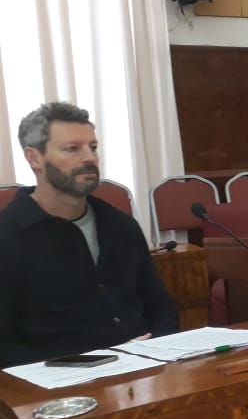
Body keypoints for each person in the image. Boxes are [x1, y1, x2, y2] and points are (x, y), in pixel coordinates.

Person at [0, 103, 179, 368]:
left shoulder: (121, 226)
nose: (89, 158)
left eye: (93, 148)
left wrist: (160, 347)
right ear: (34, 158)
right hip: (53, 382)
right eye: (72, 149)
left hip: (145, 371)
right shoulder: (7, 236)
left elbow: (161, 307)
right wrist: (101, 360)